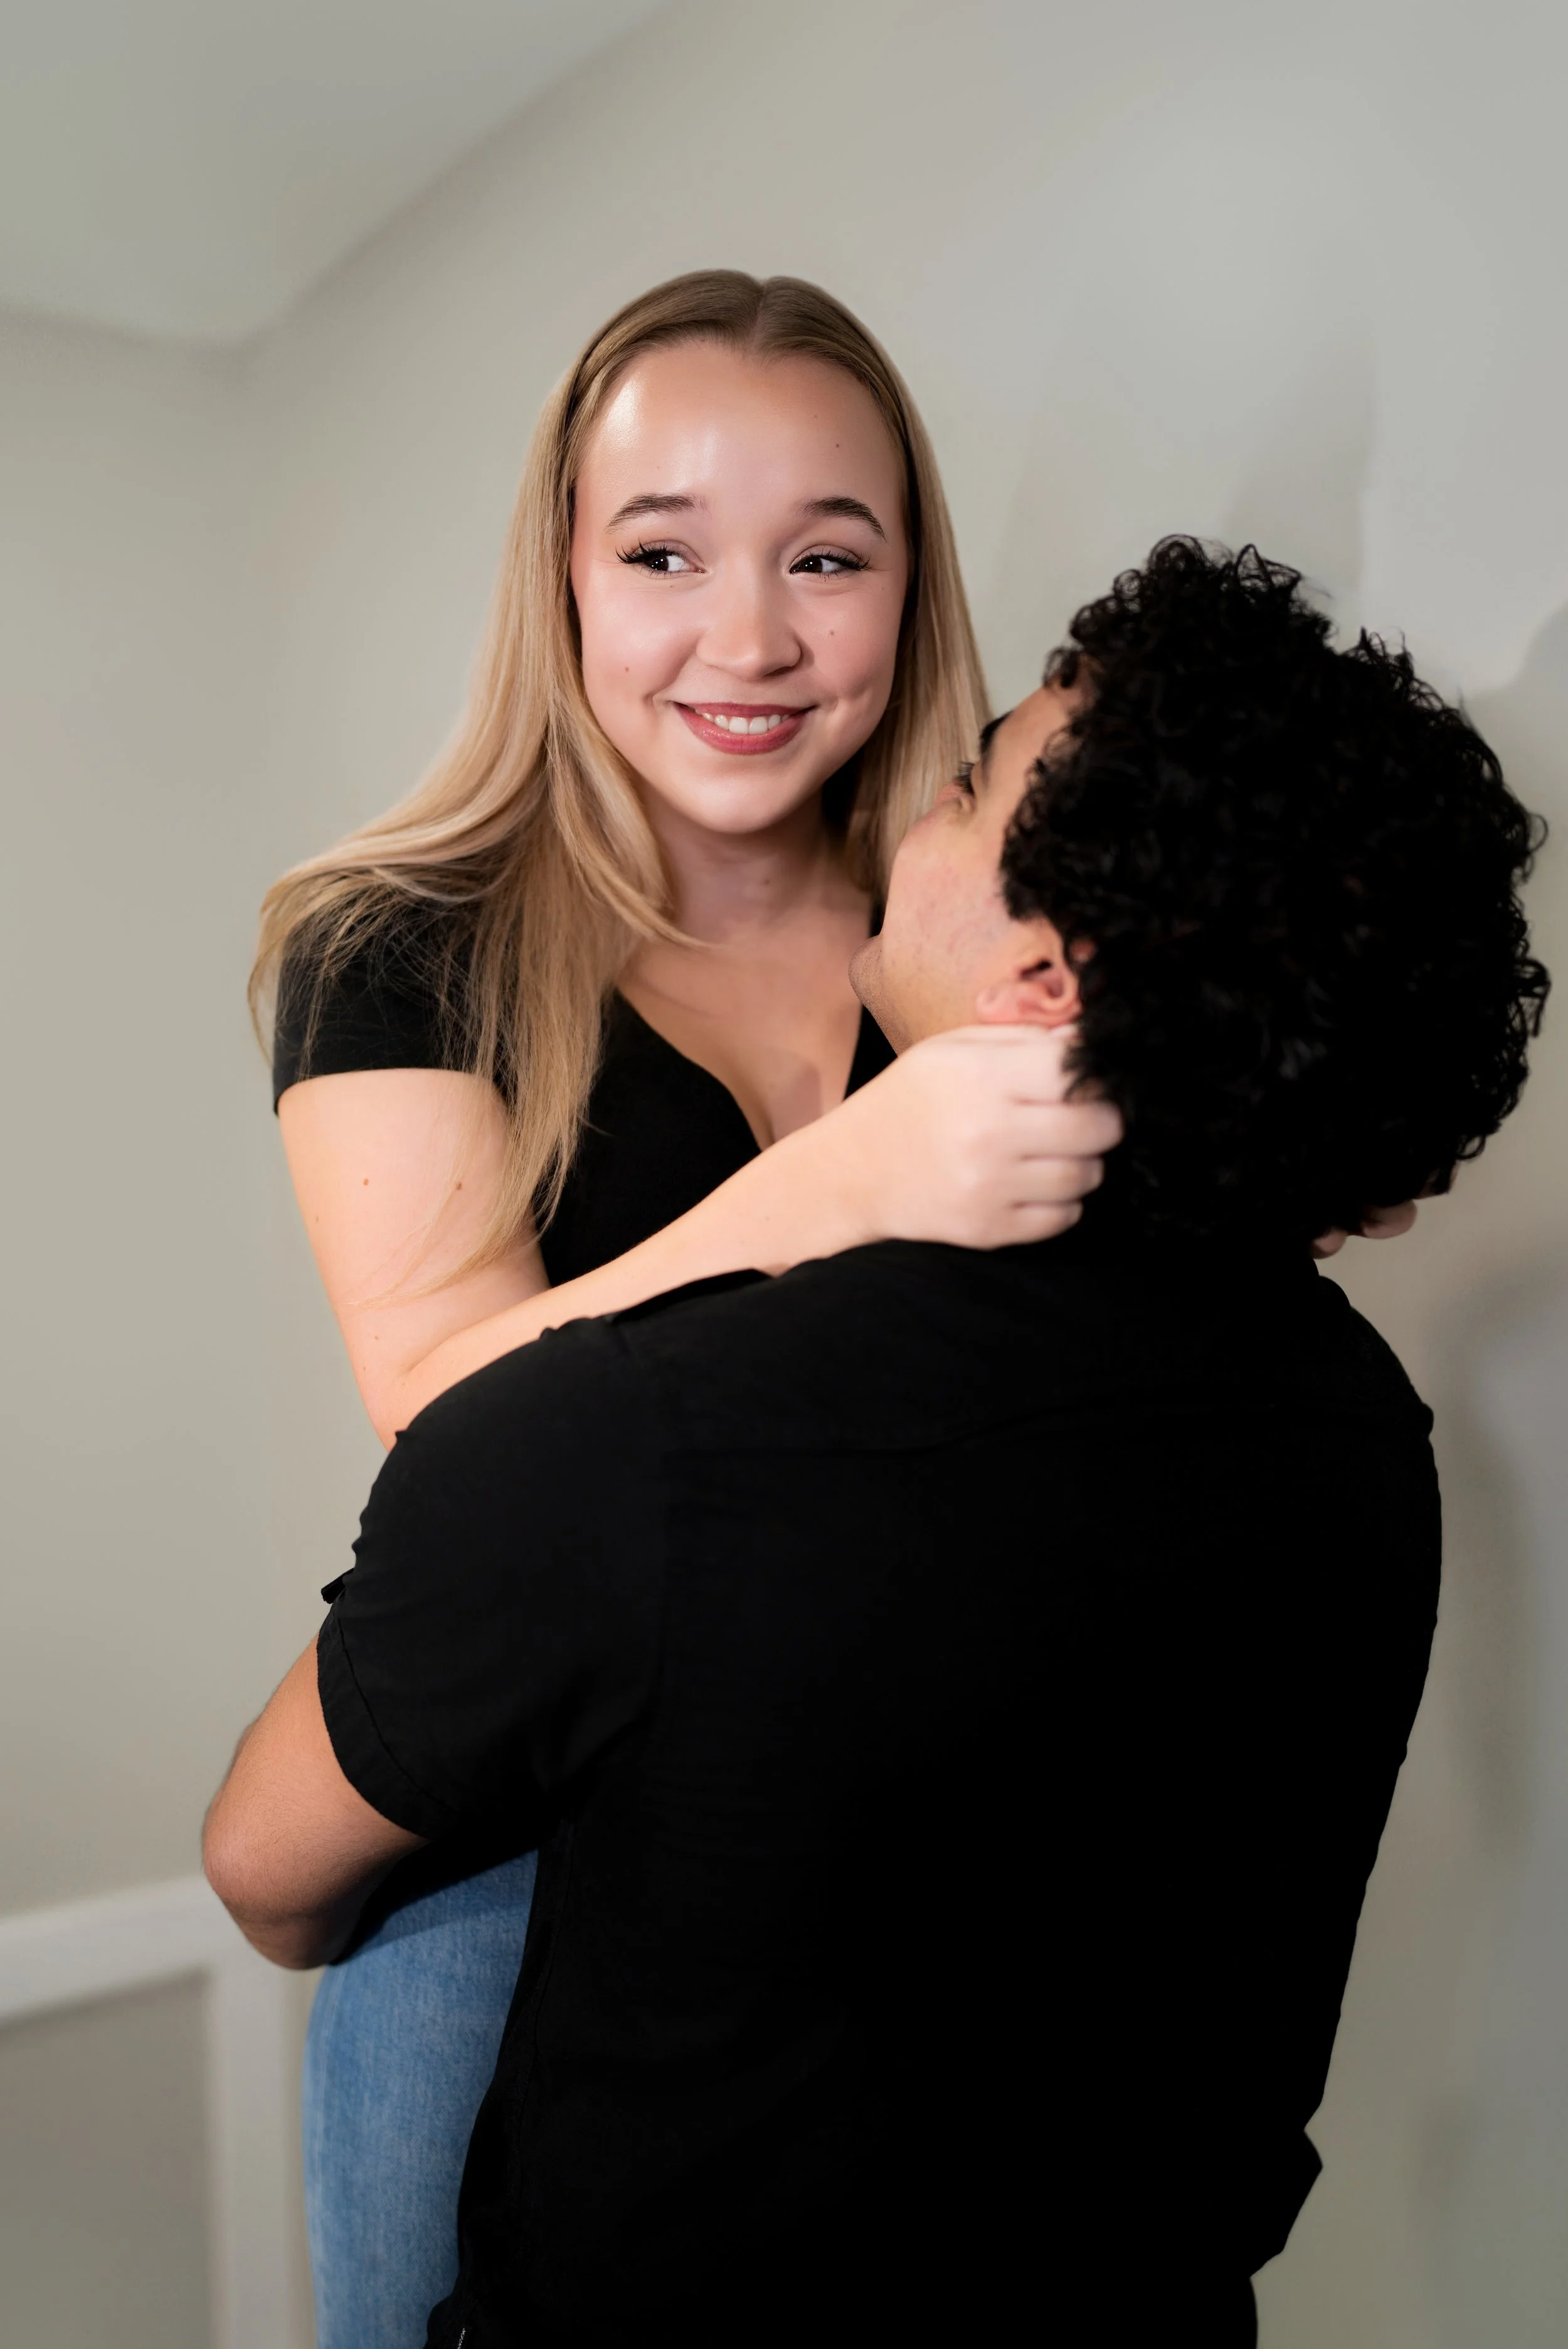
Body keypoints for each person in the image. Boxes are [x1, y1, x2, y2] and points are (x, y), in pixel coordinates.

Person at [214, 539, 1547, 2344]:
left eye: (966, 783)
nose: (912, 815)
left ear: (1043, 983)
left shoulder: (629, 1431)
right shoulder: (1355, 1442)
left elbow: (267, 1874)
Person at [255, 272, 1121, 2346]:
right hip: (517, 1851)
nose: (746, 639)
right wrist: (838, 1182)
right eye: (662, 555)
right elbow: (446, 1420)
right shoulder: (403, 941)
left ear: (909, 590)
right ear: (560, 579)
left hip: (914, 1823)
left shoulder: (974, 924)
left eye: (828, 556)